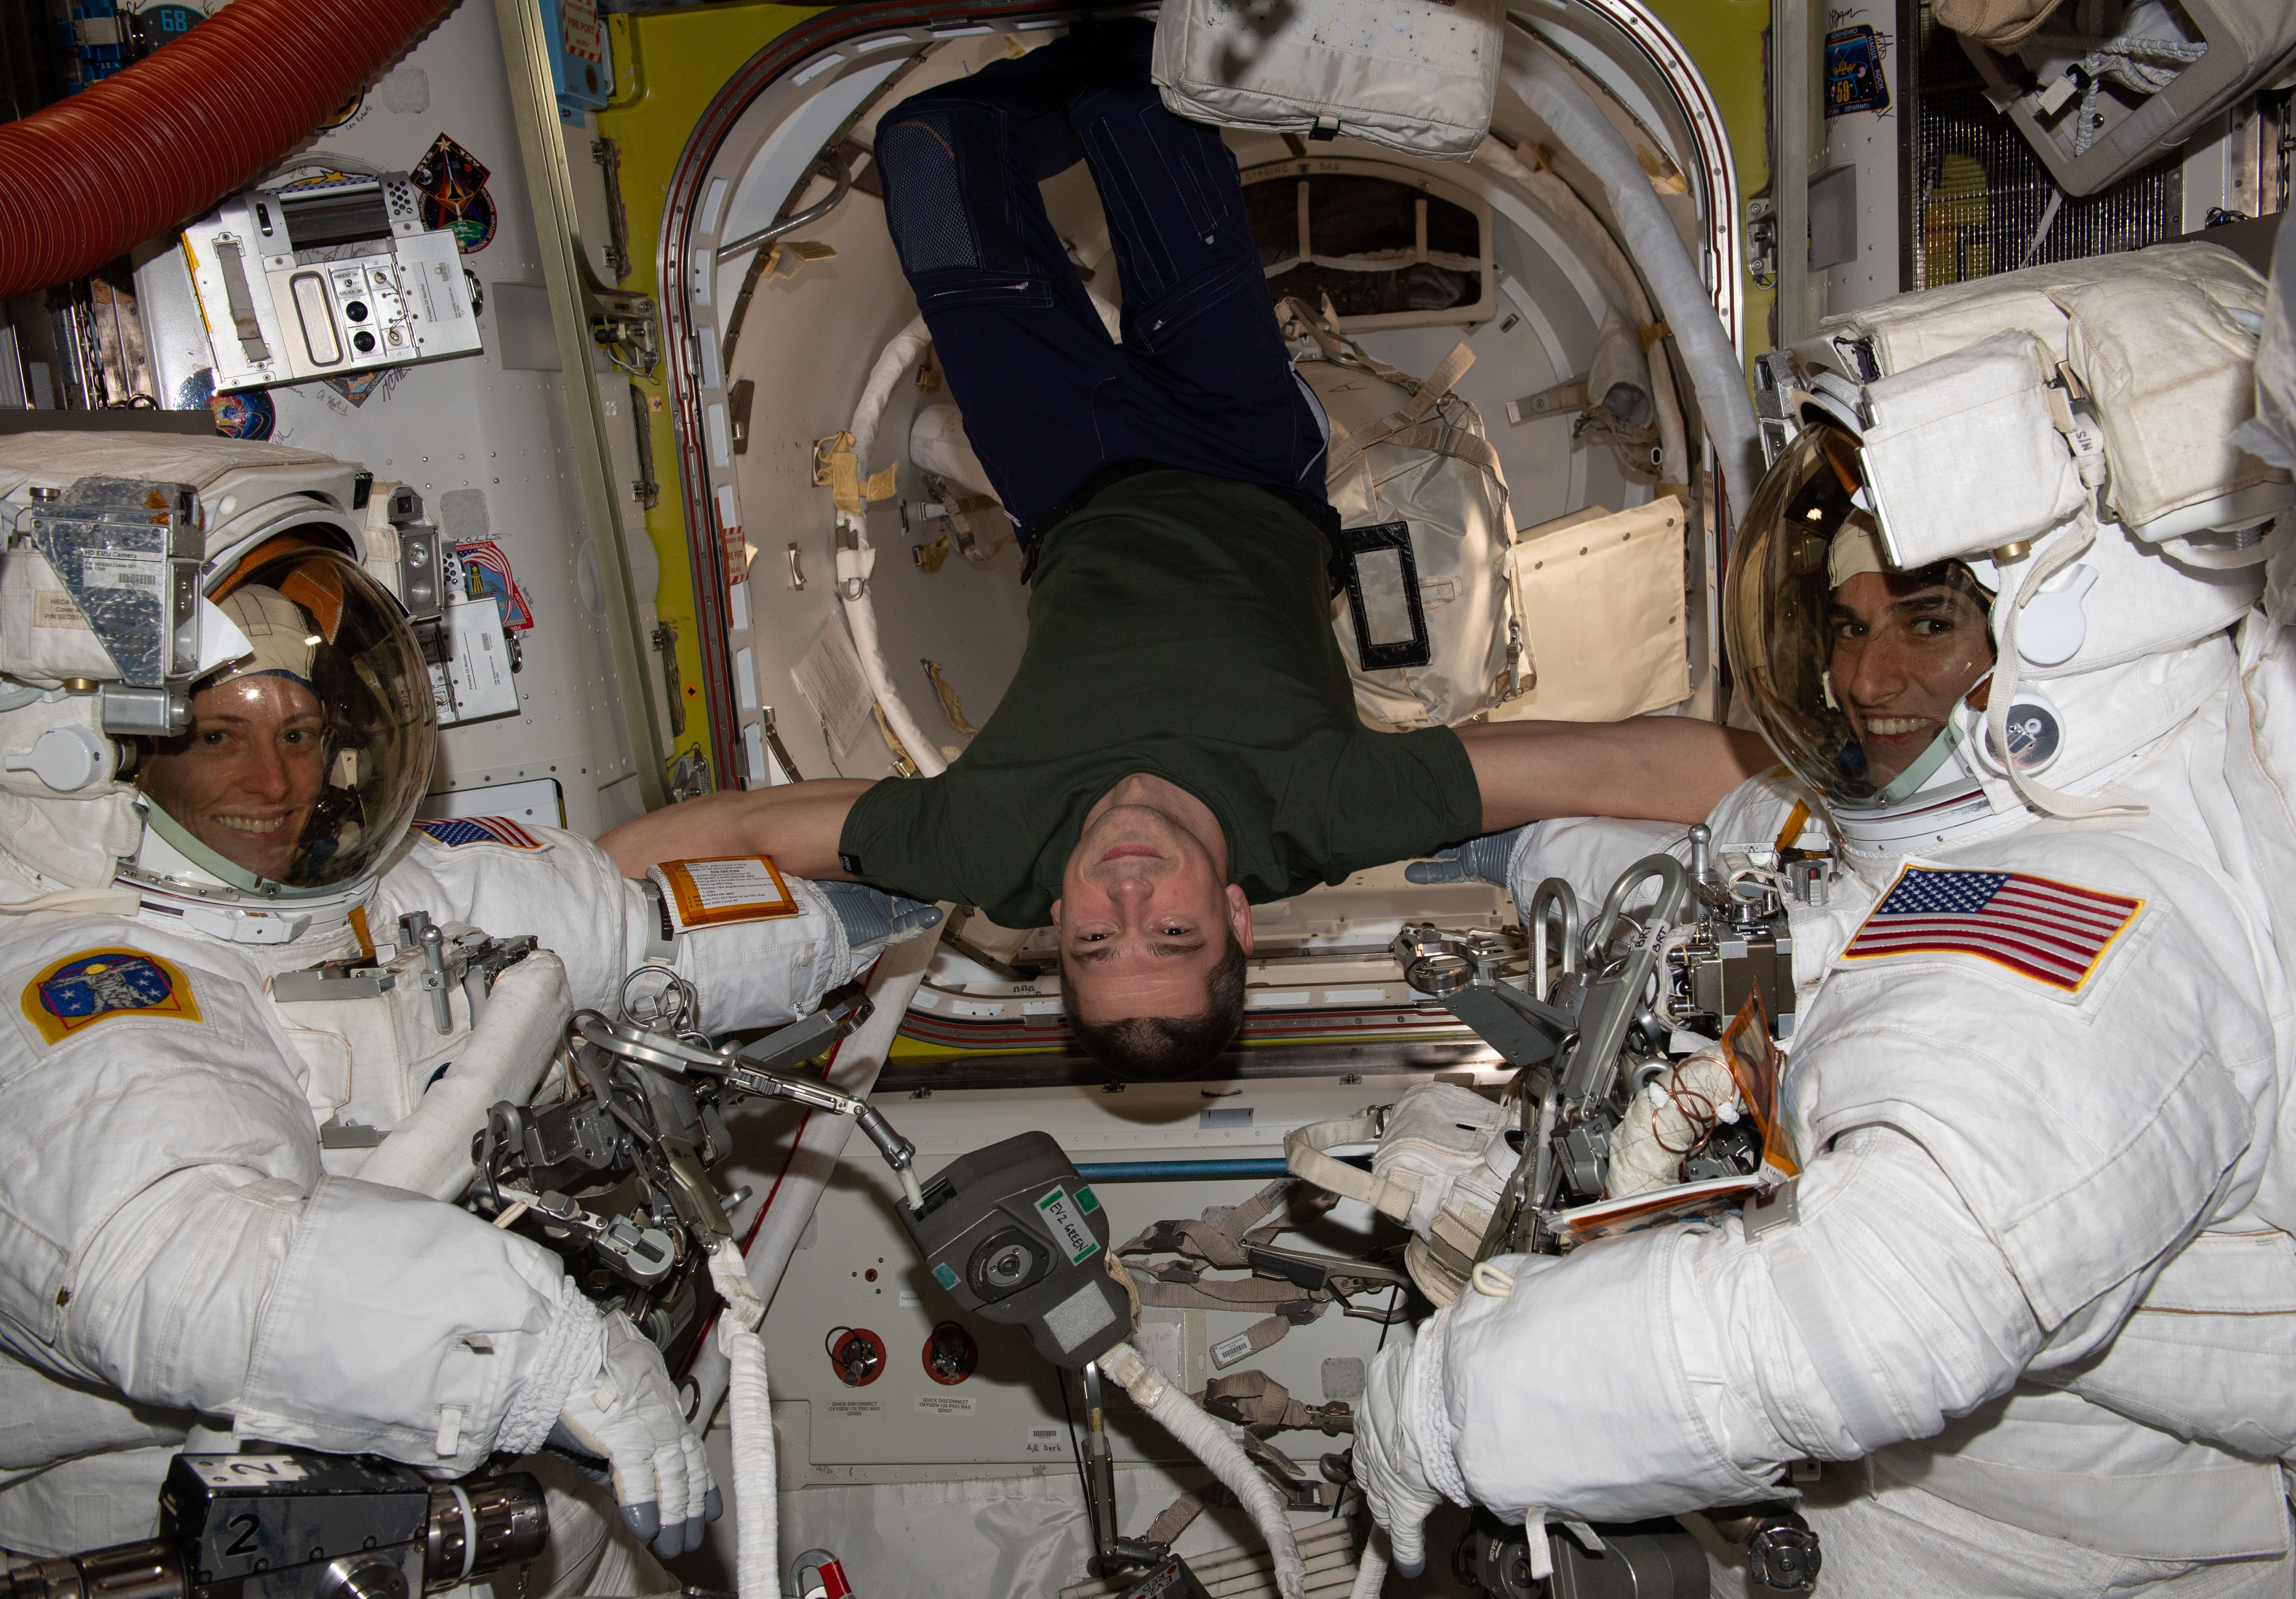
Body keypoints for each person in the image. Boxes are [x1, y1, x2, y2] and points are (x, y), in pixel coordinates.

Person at [1353, 247, 2296, 1595]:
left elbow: (1875, 1320)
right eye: (1844, 625)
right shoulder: (1924, 839)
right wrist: (1460, 836)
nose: (1866, 675)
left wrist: (1448, 1411)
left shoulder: (2097, 929)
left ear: (2066, 625)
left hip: (2045, 1559)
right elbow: (1737, 871)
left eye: (1926, 620)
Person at [597, 20, 1767, 1081]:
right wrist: (1855, 801)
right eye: (1171, 932)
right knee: (1143, 107)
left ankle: (1090, 51)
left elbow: (752, 829)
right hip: (1248, 451)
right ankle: (1126, 46)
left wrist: (574, 901)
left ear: (1054, 926)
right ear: (1239, 917)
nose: (1127, 891)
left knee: (925, 150)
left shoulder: (986, 846)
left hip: (1062, 476)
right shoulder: (1325, 813)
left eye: (1097, 938)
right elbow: (1631, 772)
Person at [0, 465, 928, 1583]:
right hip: (220, 1547)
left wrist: (866, 916)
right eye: (216, 739)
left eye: (300, 734)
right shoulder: (92, 986)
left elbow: (629, 933)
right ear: (98, 760)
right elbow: (176, 1261)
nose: (273, 778)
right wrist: (546, 1357)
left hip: (513, 1515)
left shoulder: (369, 897)